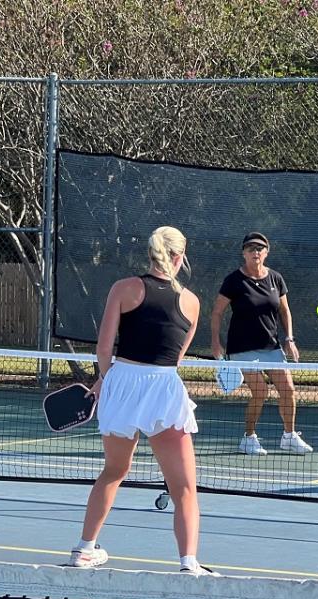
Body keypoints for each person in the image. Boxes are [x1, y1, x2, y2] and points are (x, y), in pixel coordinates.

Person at [69, 226, 217, 576]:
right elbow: (175, 358)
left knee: (114, 471)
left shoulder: (123, 288)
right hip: (163, 389)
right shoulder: (192, 303)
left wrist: (106, 379)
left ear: (150, 255)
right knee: (183, 488)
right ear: (179, 257)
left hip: (122, 383)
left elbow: (104, 349)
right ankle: (188, 563)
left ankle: (85, 549)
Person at [209, 231, 313, 456]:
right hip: (242, 348)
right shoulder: (233, 281)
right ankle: (249, 438)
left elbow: (285, 310)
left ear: (266, 252)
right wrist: (216, 343)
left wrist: (289, 339)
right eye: (250, 249)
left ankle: (289, 436)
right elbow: (217, 312)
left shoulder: (276, 278)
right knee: (260, 391)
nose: (255, 252)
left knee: (288, 389)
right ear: (243, 253)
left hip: (271, 346)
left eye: (259, 248)